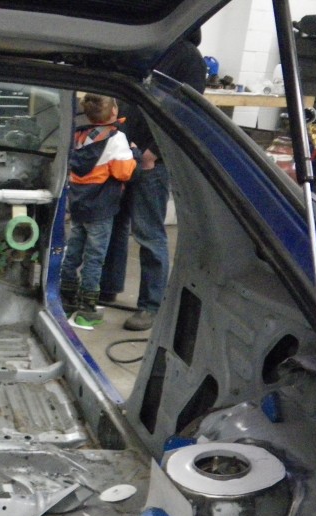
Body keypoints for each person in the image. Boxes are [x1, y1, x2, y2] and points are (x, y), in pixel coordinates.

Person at [99, 29, 207, 331]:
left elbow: (187, 113)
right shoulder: (148, 50)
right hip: (123, 152)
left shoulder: (188, 58)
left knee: (148, 232)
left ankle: (151, 305)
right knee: (115, 223)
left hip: (150, 160)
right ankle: (107, 288)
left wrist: (154, 153)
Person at [59, 93, 138, 327]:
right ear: (114, 111)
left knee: (73, 251)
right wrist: (134, 154)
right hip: (101, 209)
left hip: (79, 205)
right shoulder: (116, 138)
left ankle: (65, 296)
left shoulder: (78, 135)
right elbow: (123, 172)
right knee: (94, 258)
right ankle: (87, 307)